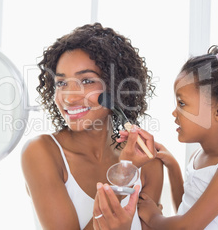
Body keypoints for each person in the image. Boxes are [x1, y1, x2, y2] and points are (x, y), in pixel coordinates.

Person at [21, 23, 164, 230]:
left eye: (87, 80)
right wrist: (124, 174)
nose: (69, 98)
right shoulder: (42, 152)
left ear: (116, 87)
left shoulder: (147, 164)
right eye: (61, 83)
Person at [132, 43, 218, 229]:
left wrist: (153, 216)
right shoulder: (198, 156)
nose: (174, 113)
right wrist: (173, 166)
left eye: (182, 104)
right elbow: (186, 212)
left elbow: (186, 227)